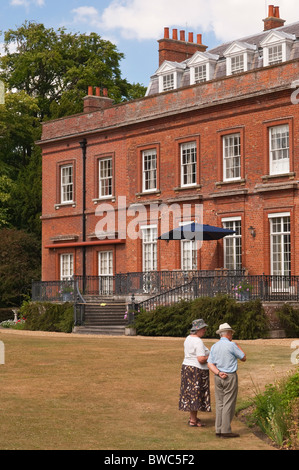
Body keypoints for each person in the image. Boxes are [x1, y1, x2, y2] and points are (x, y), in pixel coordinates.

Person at [208, 323, 246, 439]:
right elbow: (243, 358)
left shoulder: (214, 346)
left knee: (220, 403)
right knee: (228, 403)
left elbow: (210, 363)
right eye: (231, 333)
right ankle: (225, 430)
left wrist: (218, 373)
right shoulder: (232, 345)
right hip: (230, 376)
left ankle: (218, 429)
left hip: (218, 376)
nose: (232, 335)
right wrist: (238, 346)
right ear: (228, 333)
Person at [179, 319, 211, 427]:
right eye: (203, 328)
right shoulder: (198, 341)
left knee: (191, 393)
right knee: (195, 394)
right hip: (196, 370)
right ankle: (193, 420)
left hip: (187, 368)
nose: (205, 330)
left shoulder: (188, 338)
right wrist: (211, 357)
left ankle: (193, 418)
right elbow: (201, 359)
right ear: (198, 329)